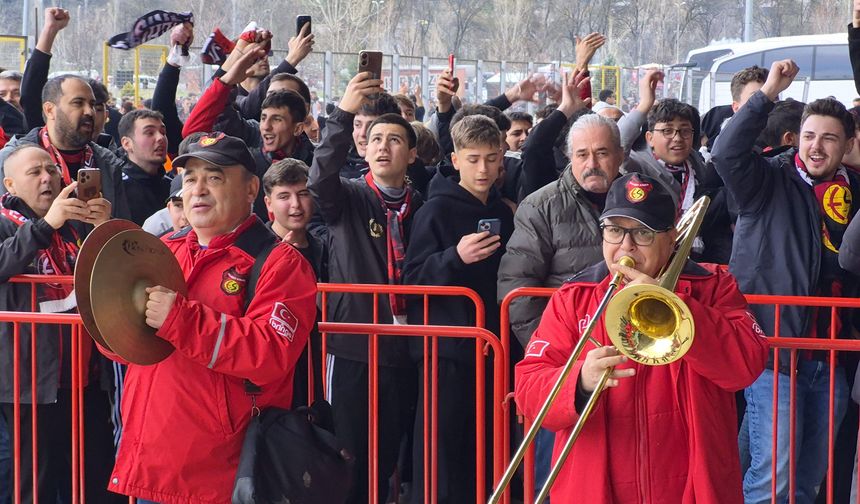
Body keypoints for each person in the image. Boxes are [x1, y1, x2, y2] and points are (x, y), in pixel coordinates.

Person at [514, 171, 769, 503]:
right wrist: (579, 381)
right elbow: (528, 388)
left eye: (643, 233)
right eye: (615, 230)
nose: (626, 246)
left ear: (672, 237)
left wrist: (681, 307)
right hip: (599, 489)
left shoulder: (713, 287)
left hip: (690, 489)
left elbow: (746, 365)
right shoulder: (574, 297)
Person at [98, 132, 317, 503]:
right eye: (190, 178)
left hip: (222, 474)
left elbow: (270, 355)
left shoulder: (282, 265)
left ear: (250, 189)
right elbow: (126, 348)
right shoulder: (163, 249)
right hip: (152, 461)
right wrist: (109, 322)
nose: (197, 189)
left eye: (214, 177)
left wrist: (179, 320)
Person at [712, 59, 860, 504]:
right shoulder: (766, 179)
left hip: (832, 353)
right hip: (774, 350)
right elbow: (724, 153)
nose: (817, 147)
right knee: (773, 477)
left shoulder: (854, 188)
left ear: (849, 144)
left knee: (810, 476)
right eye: (810, 136)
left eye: (830, 138)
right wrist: (767, 93)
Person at [308, 70, 422, 504]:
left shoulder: (422, 206)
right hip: (354, 345)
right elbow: (320, 178)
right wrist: (344, 113)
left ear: (411, 154)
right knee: (350, 454)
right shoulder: (350, 198)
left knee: (390, 454)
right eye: (375, 139)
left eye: (394, 140)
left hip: (406, 346)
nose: (383, 147)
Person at [403, 115, 514, 503]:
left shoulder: (503, 211)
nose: (483, 169)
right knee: (440, 448)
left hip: (490, 349)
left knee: (481, 444)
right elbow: (411, 280)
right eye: (473, 159)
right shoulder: (434, 211)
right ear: (454, 159)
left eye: (490, 158)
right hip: (445, 349)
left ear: (502, 157)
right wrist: (454, 257)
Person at [0, 144, 118, 503]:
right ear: (10, 185)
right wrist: (45, 225)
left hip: (83, 371)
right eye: (34, 172)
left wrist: (103, 228)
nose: (47, 178)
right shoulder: (7, 221)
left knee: (86, 472)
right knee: (33, 479)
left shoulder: (72, 225)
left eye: (51, 169)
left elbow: (112, 270)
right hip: (29, 378)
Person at [0, 74, 130, 220]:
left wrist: (107, 224)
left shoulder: (108, 162)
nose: (89, 111)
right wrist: (48, 224)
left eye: (92, 104)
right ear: (50, 110)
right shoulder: (10, 160)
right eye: (78, 103)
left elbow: (124, 233)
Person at [262, 158, 327, 408]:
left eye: (303, 193)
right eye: (284, 196)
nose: (295, 205)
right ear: (268, 203)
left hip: (316, 358)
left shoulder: (323, 247)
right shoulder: (258, 250)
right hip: (278, 366)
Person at [117, 109, 171, 225]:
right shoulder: (117, 189)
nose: (160, 138)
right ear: (127, 143)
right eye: (150, 133)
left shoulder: (171, 187)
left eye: (163, 132)